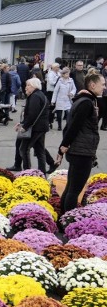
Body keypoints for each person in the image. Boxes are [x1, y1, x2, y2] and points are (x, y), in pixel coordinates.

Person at [56, 72, 106, 213]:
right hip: (82, 152)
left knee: (70, 188)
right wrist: (63, 147)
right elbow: (73, 127)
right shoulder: (86, 103)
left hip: (78, 151)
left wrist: (63, 146)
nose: (104, 87)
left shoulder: (84, 100)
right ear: (92, 85)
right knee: (74, 191)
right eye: (102, 84)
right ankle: (68, 221)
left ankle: (62, 219)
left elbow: (70, 126)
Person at [13, 78, 50, 174]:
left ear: (34, 86)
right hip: (41, 126)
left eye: (28, 85)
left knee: (24, 149)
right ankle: (42, 173)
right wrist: (22, 123)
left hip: (36, 128)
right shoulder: (40, 95)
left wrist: (24, 127)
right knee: (40, 150)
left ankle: (27, 172)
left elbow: (33, 114)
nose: (26, 87)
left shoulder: (35, 96)